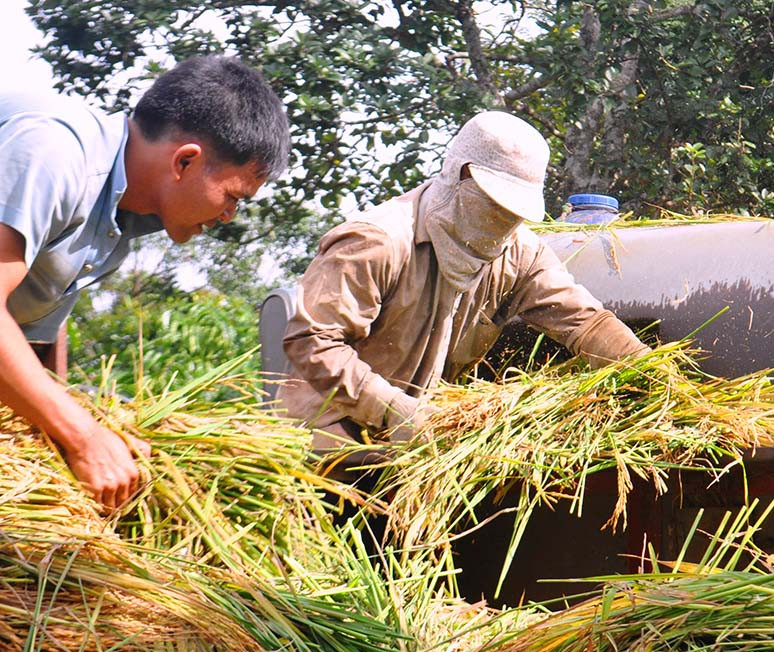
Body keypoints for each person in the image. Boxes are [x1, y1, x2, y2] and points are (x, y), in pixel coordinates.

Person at [0, 54, 291, 510]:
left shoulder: (123, 216)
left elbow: (26, 331)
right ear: (186, 161)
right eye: (233, 197)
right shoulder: (55, 154)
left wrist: (66, 430)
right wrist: (83, 437)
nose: (227, 216)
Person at [278, 110, 648, 454]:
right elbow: (313, 340)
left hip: (415, 455)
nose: (503, 224)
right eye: (494, 206)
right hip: (329, 451)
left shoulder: (518, 253)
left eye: (514, 214)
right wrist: (392, 409)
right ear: (461, 175)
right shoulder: (379, 241)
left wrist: (650, 371)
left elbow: (584, 323)